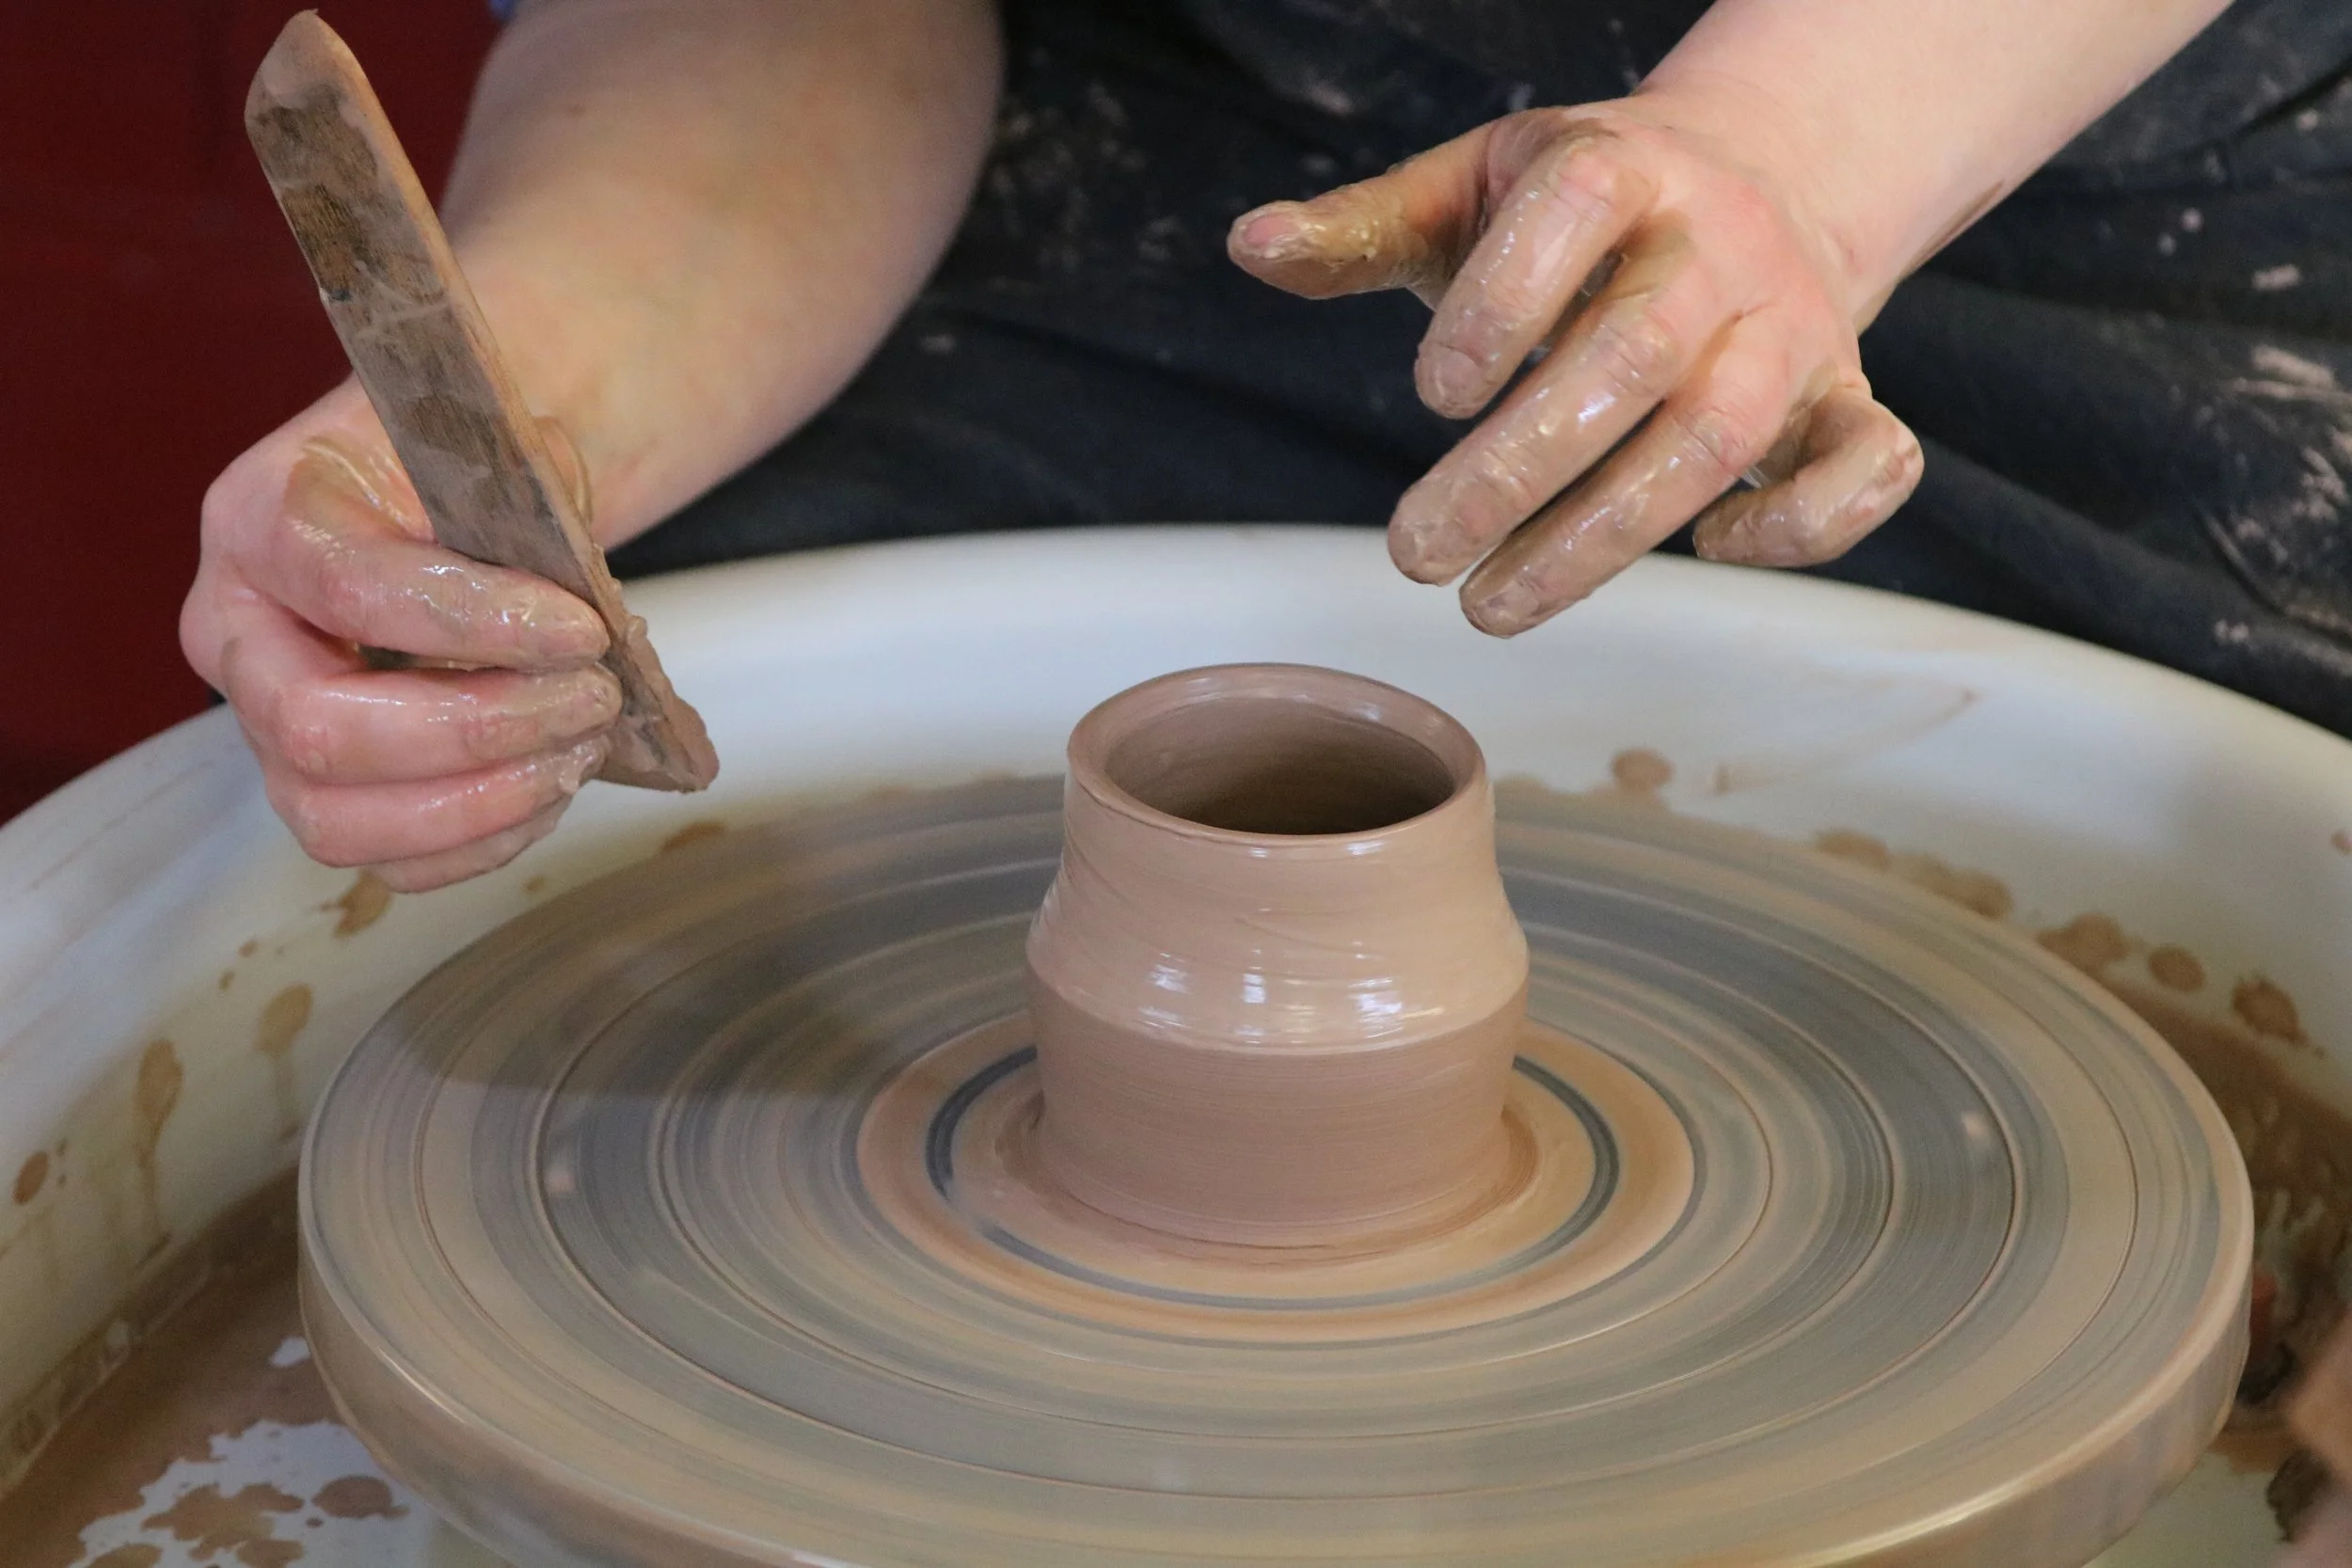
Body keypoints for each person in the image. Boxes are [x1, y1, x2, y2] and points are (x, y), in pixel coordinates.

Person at [179, 0, 2352, 1547]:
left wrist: (1786, 160)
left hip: (2077, 218)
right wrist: (541, 405)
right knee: (556, 791)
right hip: (1153, 166)